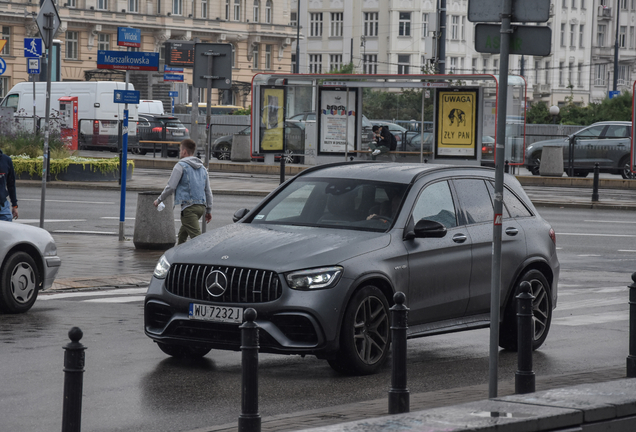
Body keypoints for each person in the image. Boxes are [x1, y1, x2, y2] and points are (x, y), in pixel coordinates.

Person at [154, 139, 213, 244]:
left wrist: (159, 200)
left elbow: (171, 187)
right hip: (201, 207)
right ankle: (178, 255)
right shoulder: (203, 168)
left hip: (189, 208)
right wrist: (208, 210)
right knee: (183, 234)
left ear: (185, 152)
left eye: (180, 150)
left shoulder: (180, 166)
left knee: (197, 240)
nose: (180, 152)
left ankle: (203, 258)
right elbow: (208, 191)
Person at [0, 147, 18, 222]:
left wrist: (14, 205)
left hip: (3, 207)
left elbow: (11, 184)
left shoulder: (6, 160)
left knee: (7, 232)